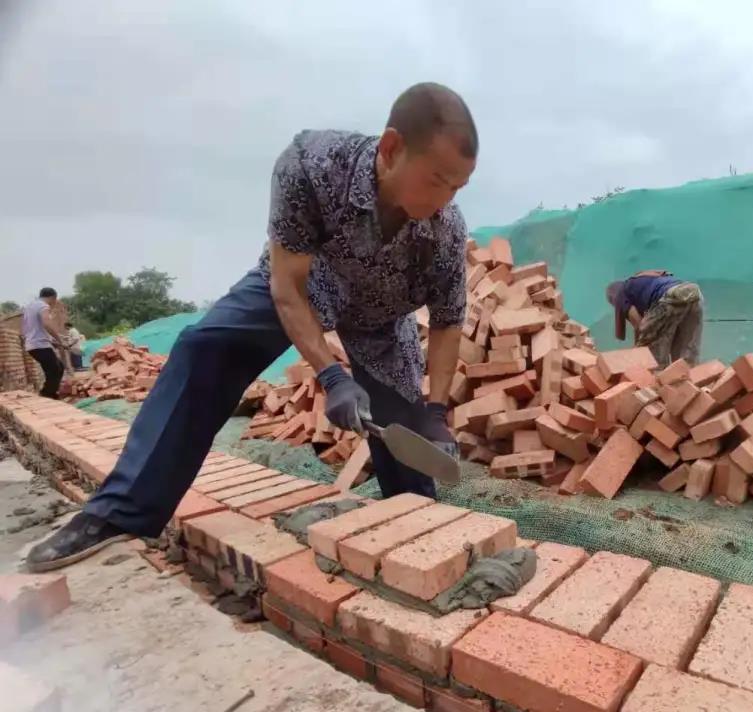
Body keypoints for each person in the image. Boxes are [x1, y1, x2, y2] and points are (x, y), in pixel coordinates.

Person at [26, 83, 477, 572]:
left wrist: (434, 410)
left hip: (382, 317)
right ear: (391, 149)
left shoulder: (445, 229)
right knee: (206, 350)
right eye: (437, 180)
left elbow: (449, 322)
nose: (446, 199)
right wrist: (330, 376)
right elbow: (287, 287)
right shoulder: (314, 165)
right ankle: (118, 512)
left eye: (458, 186)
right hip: (307, 284)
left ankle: (423, 533)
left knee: (405, 431)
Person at [606, 270, 703, 367]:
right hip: (694, 293)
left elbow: (638, 324)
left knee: (651, 356)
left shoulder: (620, 294)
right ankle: (686, 378)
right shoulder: (642, 283)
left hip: (671, 295)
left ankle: (658, 378)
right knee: (686, 354)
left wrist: (637, 349)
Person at [21, 287, 66, 398]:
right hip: (39, 345)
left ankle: (50, 393)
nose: (54, 304)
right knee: (55, 369)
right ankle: (46, 394)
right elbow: (46, 323)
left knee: (58, 367)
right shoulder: (43, 306)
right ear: (53, 297)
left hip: (32, 345)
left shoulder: (30, 307)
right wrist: (59, 340)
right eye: (55, 301)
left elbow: (34, 328)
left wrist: (52, 342)